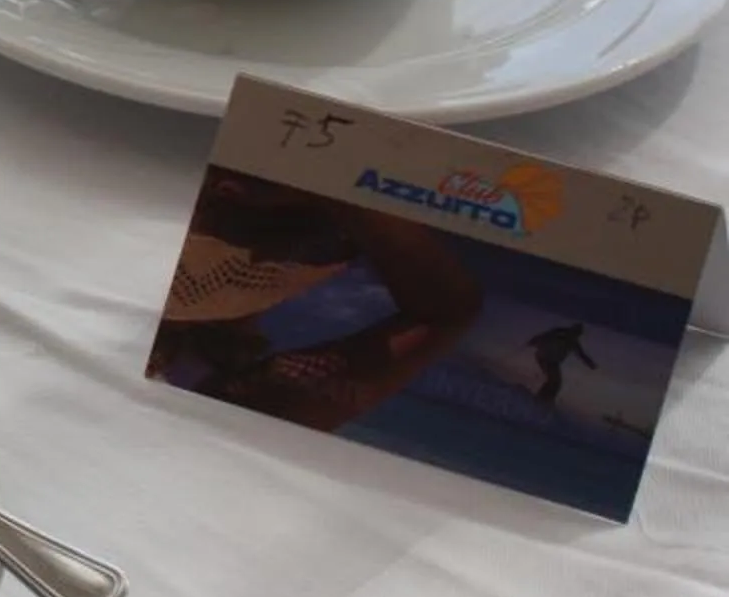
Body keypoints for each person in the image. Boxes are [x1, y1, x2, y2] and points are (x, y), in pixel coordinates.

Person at [152, 171, 484, 433]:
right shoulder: (236, 409)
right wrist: (340, 179)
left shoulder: (233, 408)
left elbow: (444, 315)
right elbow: (444, 315)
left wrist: (342, 181)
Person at [525, 321, 596, 408]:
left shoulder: (573, 342)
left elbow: (581, 354)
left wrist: (590, 363)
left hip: (552, 361)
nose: (575, 336)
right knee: (554, 380)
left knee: (556, 381)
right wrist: (533, 341)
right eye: (575, 333)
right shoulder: (560, 334)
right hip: (544, 357)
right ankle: (542, 399)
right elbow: (545, 336)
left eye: (577, 335)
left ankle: (545, 399)